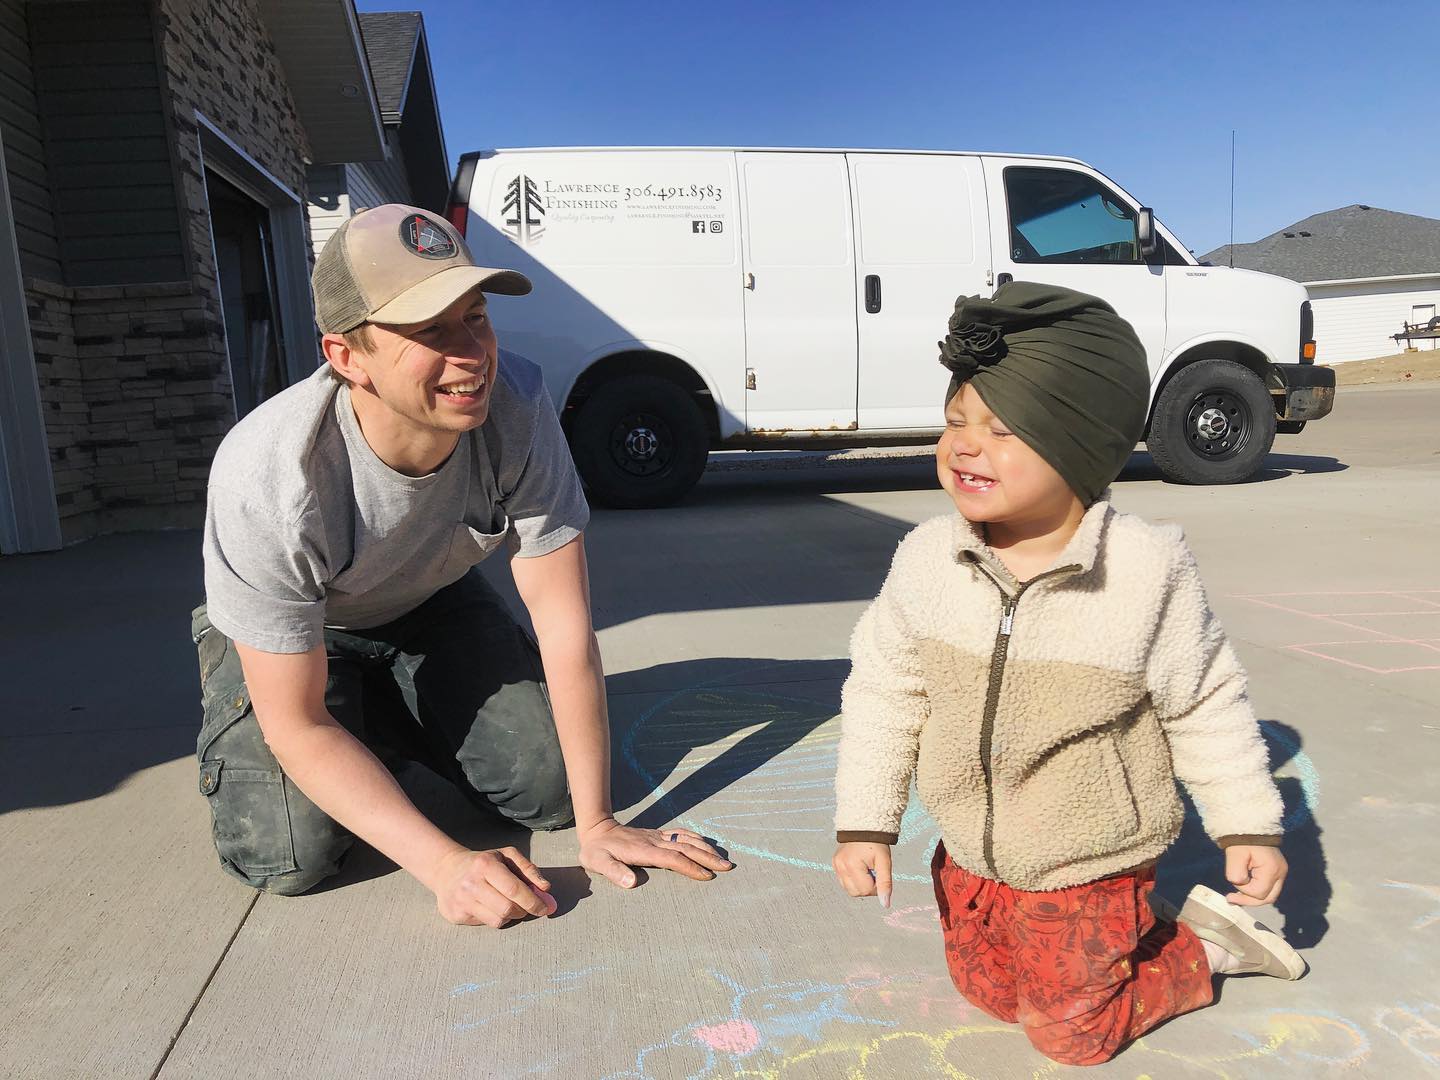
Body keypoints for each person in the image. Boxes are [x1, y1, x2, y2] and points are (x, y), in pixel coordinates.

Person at [193, 203, 731, 926]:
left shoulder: (519, 408)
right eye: (428, 331)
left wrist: (597, 823)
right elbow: (296, 723)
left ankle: (384, 709)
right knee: (289, 852)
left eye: (475, 317)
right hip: (306, 630)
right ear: (347, 357)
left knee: (554, 794)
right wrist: (444, 863)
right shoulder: (271, 476)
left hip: (430, 603)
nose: (471, 355)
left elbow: (565, 626)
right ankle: (349, 704)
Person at [830, 282, 1305, 1066]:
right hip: (971, 853)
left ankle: (1208, 948)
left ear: (1079, 446)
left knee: (1068, 1032)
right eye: (955, 422)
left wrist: (1247, 823)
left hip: (1089, 857)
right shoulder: (925, 561)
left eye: (1002, 429)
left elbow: (1204, 702)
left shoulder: (1144, 571)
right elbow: (884, 691)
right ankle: (1121, 942)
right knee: (988, 993)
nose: (964, 445)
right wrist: (866, 820)